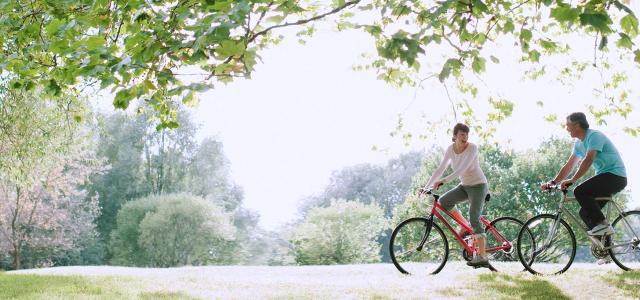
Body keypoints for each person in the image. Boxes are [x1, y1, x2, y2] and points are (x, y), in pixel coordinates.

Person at [542, 112, 627, 238]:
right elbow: (569, 166)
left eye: (568, 125)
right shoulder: (579, 144)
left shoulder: (594, 136)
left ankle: (603, 224)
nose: (566, 128)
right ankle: (605, 249)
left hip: (615, 176)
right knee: (585, 213)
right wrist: (554, 182)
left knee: (580, 191)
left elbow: (588, 159)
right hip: (605, 178)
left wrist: (573, 180)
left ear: (577, 125)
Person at [423, 123, 490, 267]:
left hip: (478, 186)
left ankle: (483, 256)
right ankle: (465, 226)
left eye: (466, 134)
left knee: (474, 217)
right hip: (465, 186)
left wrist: (443, 181)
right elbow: (440, 169)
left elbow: (461, 169)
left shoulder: (472, 148)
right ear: (454, 136)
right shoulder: (450, 150)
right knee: (444, 202)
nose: (465, 137)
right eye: (461, 134)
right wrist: (426, 187)